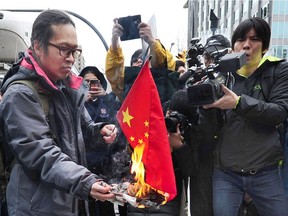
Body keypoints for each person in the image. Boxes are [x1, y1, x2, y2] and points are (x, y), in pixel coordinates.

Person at [0, 9, 119, 216]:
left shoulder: (67, 88)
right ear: (38, 46)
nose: (71, 59)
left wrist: (99, 132)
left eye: (75, 51)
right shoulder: (20, 94)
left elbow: (82, 131)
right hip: (36, 209)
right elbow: (40, 153)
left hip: (69, 202)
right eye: (64, 49)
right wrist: (86, 181)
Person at [202, 17, 288, 215]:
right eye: (241, 39)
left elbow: (279, 112)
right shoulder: (222, 76)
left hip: (266, 172)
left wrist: (239, 103)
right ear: (233, 46)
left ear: (264, 46)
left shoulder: (279, 70)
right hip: (225, 174)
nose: (247, 45)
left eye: (254, 39)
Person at [79, 66, 129, 216]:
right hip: (84, 167)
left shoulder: (107, 102)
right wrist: (81, 100)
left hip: (108, 168)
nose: (90, 86)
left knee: (108, 208)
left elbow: (119, 127)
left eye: (94, 82)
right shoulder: (76, 104)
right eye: (85, 82)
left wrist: (107, 97)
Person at [105, 19, 177, 102]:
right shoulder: (124, 86)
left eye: (144, 58)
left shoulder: (162, 81)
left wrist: (152, 41)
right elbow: (114, 73)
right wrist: (114, 42)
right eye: (135, 59)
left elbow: (166, 65)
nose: (139, 61)